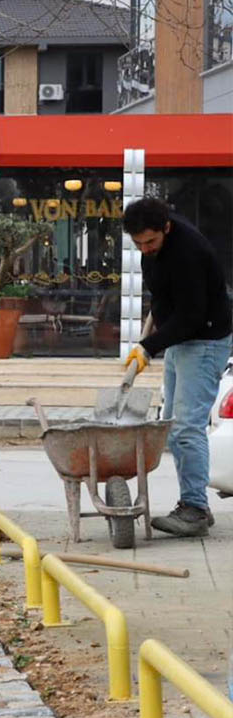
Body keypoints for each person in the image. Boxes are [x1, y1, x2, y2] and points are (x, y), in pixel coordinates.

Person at [122, 198, 232, 537]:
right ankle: (193, 502)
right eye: (138, 244)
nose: (145, 249)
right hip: (179, 341)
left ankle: (195, 509)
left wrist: (148, 347)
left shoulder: (188, 253)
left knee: (187, 427)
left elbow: (192, 316)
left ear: (166, 227)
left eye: (150, 242)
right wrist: (151, 335)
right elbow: (163, 297)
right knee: (173, 425)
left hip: (204, 341)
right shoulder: (155, 247)